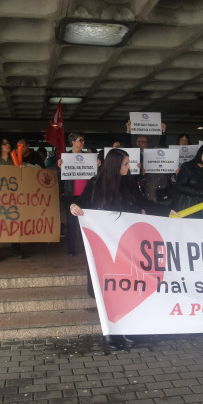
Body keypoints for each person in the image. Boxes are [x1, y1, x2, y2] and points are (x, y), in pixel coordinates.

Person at [70, 148, 178, 349]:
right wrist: (73, 207)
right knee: (107, 287)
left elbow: (143, 203)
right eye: (126, 164)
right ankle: (110, 333)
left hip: (127, 245)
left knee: (125, 285)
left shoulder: (129, 183)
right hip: (103, 247)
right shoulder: (95, 184)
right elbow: (80, 203)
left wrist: (166, 211)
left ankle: (127, 328)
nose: (130, 167)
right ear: (115, 166)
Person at [0, 136, 25, 261]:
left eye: (8, 143)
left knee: (14, 223)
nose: (7, 145)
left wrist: (22, 170)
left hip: (12, 197)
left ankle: (16, 248)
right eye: (4, 144)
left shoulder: (15, 160)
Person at [59, 132, 88, 256]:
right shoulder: (64, 158)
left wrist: (98, 165)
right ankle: (72, 249)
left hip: (86, 195)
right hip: (71, 195)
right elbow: (60, 178)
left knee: (86, 223)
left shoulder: (88, 157)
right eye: (80, 140)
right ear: (73, 142)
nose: (82, 143)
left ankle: (86, 248)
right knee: (72, 224)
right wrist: (59, 167)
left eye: (83, 140)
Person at [175, 143, 203, 217]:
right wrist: (202, 192)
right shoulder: (187, 167)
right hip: (189, 209)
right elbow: (179, 187)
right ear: (202, 153)